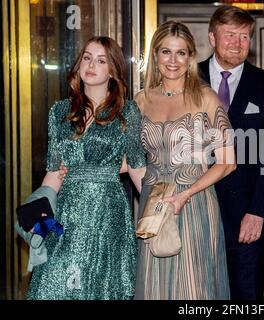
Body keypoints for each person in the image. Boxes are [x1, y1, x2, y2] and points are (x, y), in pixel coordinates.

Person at [26, 36, 147, 299]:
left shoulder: (128, 112)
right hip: (67, 214)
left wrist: (159, 211)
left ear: (113, 70)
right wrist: (37, 217)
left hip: (108, 217)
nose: (91, 65)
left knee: (103, 286)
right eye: (87, 57)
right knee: (52, 284)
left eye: (101, 60)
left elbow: (138, 168)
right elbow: (54, 173)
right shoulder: (60, 111)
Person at [133, 20, 236, 300]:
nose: (173, 60)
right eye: (166, 52)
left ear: (190, 56)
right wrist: (147, 193)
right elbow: (130, 159)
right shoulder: (140, 101)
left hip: (194, 202)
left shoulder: (205, 98)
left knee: (194, 288)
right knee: (154, 287)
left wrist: (185, 194)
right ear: (155, 55)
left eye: (181, 53)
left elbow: (228, 162)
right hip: (153, 207)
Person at [198, 5, 264, 300]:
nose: (237, 43)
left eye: (245, 36)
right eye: (230, 35)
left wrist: (258, 212)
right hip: (195, 210)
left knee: (246, 295)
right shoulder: (187, 79)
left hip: (245, 216)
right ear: (212, 37)